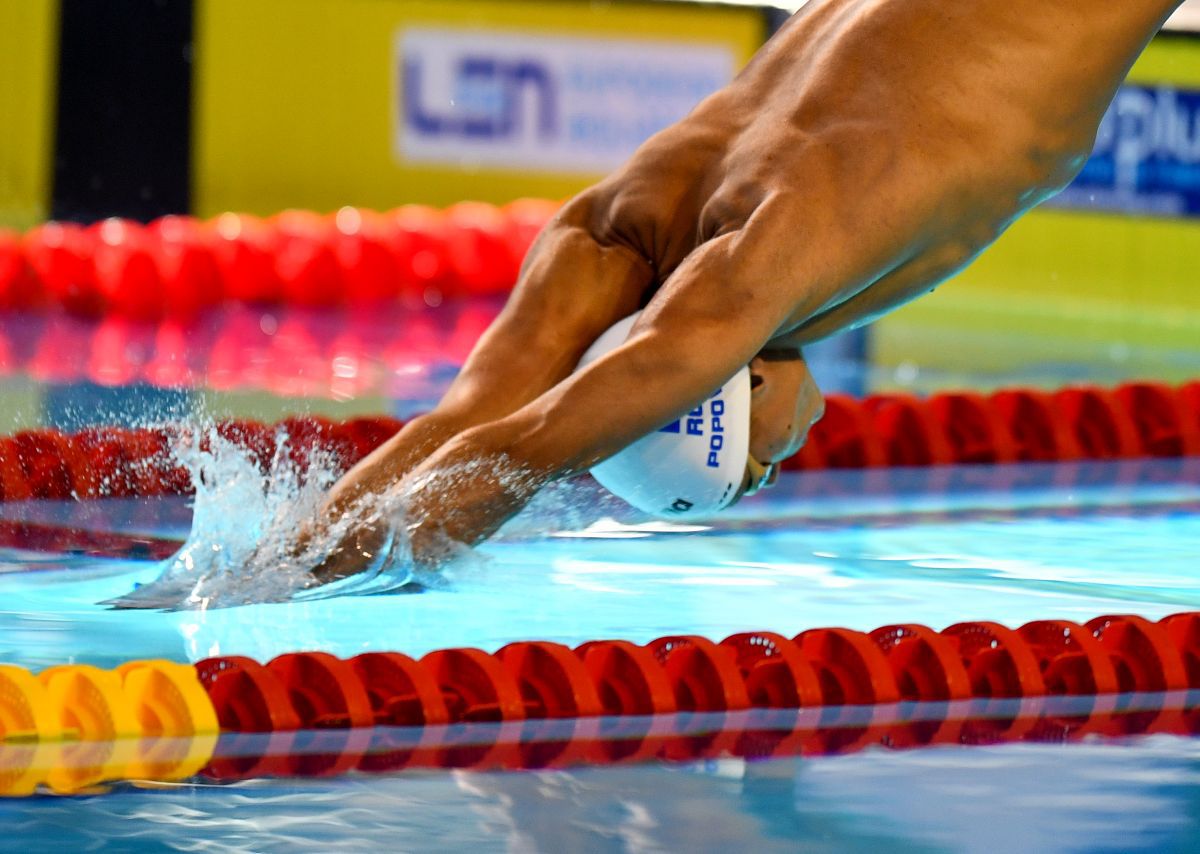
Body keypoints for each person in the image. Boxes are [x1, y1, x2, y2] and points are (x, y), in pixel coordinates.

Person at [305, 0, 1184, 580]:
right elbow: (456, 425)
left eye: (755, 469)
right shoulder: (638, 218)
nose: (790, 457)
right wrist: (272, 571)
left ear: (736, 378)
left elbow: (529, 448)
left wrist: (325, 589)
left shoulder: (770, 257)